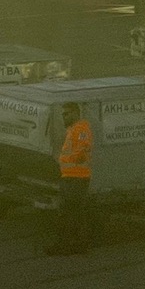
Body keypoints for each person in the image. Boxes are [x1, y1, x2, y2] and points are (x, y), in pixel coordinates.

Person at [50, 101, 93, 255]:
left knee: (69, 213)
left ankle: (66, 245)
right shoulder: (73, 129)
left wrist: (66, 161)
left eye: (66, 114)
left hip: (76, 178)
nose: (64, 117)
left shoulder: (81, 129)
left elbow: (82, 151)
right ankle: (77, 244)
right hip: (70, 177)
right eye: (62, 114)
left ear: (76, 113)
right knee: (74, 213)